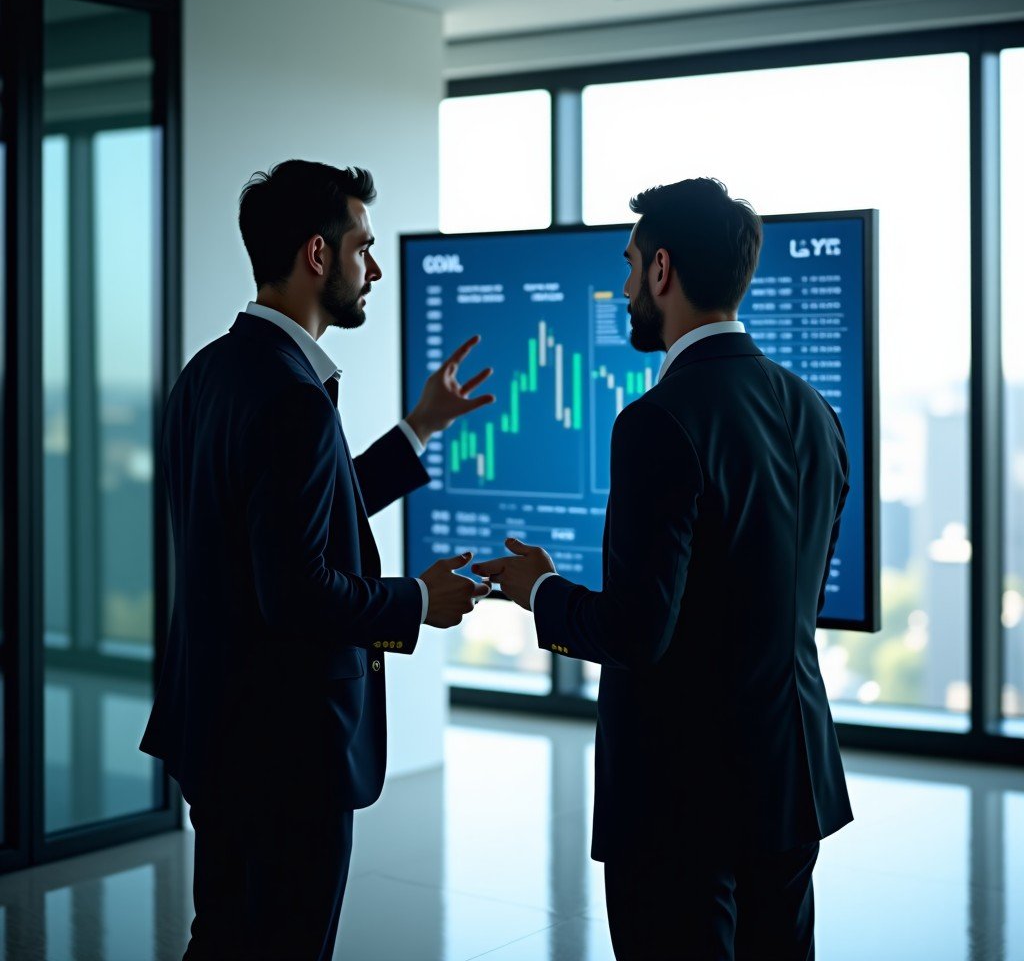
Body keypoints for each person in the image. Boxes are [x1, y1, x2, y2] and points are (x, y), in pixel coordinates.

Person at [473, 178, 853, 960]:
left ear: (661, 271)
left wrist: (539, 590)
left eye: (629, 264)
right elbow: (796, 603)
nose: (622, 287)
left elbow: (638, 632)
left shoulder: (657, 423)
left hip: (681, 799)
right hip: (790, 778)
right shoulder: (817, 412)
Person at [141, 160, 493, 961]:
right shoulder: (294, 396)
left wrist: (418, 428)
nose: (372, 267)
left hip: (220, 730)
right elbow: (295, 590)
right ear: (317, 255)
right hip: (288, 750)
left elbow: (294, 524)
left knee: (225, 936)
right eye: (362, 247)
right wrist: (415, 601)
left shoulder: (208, 376)